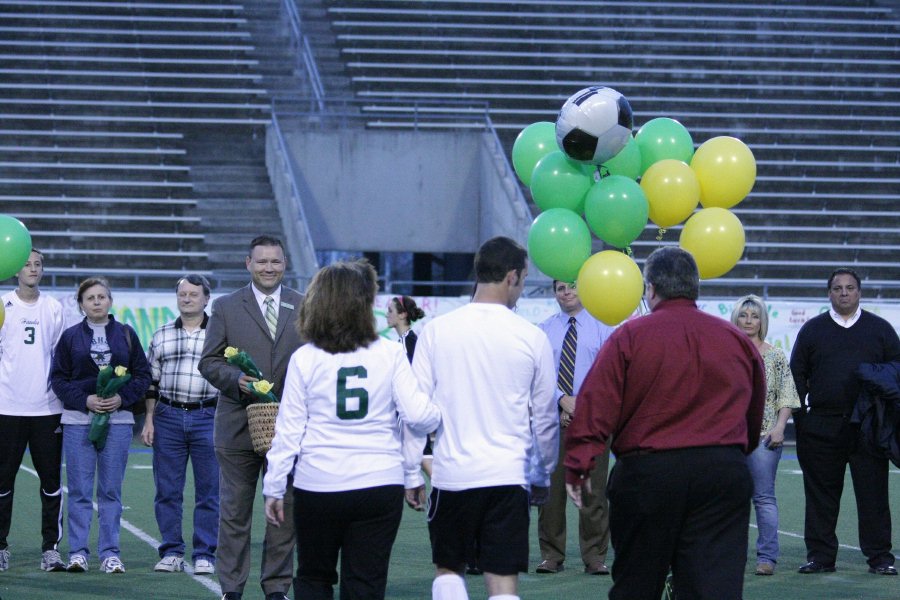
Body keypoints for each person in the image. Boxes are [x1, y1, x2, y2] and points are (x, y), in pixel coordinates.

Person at [565, 247, 766, 600]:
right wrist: (734, 452)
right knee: (714, 588)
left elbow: (596, 404)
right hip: (721, 471)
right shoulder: (736, 340)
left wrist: (579, 463)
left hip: (649, 474)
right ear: (696, 287)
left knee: (637, 585)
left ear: (651, 289)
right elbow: (754, 407)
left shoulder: (628, 337)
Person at [263, 260, 441, 600]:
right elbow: (418, 417)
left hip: (318, 483)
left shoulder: (305, 357)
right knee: (365, 584)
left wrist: (273, 486)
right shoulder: (389, 353)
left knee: (314, 578)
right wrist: (413, 471)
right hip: (378, 483)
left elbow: (288, 431)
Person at [412, 236, 558, 600]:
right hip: (508, 476)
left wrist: (409, 469)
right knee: (503, 580)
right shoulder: (531, 336)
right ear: (512, 277)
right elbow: (544, 419)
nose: (521, 288)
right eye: (523, 280)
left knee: (448, 570)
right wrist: (542, 475)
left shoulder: (436, 331)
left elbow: (414, 410)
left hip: (453, 475)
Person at [199, 235, 304, 600]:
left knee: (283, 514)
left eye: (275, 261)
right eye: (261, 262)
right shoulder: (227, 307)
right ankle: (231, 588)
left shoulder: (303, 305)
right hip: (237, 429)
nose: (268, 268)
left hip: (289, 431)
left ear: (284, 263)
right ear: (248, 264)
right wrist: (235, 380)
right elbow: (208, 361)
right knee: (233, 516)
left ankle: (276, 589)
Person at [790, 268, 900, 576]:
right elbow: (796, 375)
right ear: (829, 293)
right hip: (822, 426)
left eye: (850, 288)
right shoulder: (812, 330)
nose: (844, 293)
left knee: (874, 495)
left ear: (859, 292)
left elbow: (897, 371)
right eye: (837, 288)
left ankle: (880, 558)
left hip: (867, 428)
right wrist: (803, 421)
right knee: (821, 497)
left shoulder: (880, 330)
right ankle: (821, 557)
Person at [50, 277, 152, 574]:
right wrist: (86, 401)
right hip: (78, 422)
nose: (96, 302)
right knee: (80, 491)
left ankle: (110, 553)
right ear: (81, 304)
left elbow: (142, 376)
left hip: (118, 423)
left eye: (101, 297)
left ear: (110, 301)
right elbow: (58, 379)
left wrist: (122, 399)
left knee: (110, 491)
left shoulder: (126, 334)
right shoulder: (70, 337)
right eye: (90, 298)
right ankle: (78, 553)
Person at [142, 274, 220, 575]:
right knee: (167, 490)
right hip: (168, 417)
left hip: (208, 417)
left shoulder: (219, 335)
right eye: (182, 294)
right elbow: (152, 382)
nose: (187, 299)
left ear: (206, 299)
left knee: (209, 491)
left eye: (193, 294)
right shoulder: (161, 334)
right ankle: (172, 551)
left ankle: (205, 554)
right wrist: (149, 419)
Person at [535, 280, 614, 576]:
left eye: (572, 286)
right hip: (552, 422)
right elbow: (539, 375)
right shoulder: (543, 330)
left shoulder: (603, 328)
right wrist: (562, 401)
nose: (566, 292)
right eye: (560, 288)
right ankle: (551, 555)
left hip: (593, 421)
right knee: (551, 495)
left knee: (593, 492)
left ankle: (595, 556)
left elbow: (608, 374)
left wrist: (581, 404)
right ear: (554, 293)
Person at [0, 249, 65, 572]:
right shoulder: (2, 305)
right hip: (7, 407)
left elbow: (61, 357)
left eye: (38, 264)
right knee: (2, 481)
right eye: (26, 264)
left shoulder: (54, 308)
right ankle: (0, 546)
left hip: (47, 409)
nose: (33, 269)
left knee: (51, 482)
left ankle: (50, 548)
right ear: (15, 270)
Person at [731, 294, 801, 576]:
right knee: (728, 501)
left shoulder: (775, 356)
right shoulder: (724, 351)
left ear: (763, 321)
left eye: (754, 316)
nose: (749, 321)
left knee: (763, 498)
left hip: (764, 437)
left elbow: (786, 395)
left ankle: (767, 558)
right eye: (744, 315)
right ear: (735, 318)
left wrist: (780, 427)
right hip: (729, 438)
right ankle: (729, 556)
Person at [386, 295, 434, 477]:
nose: (386, 315)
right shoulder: (409, 341)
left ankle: (449, 496)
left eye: (390, 311)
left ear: (402, 315)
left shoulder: (407, 344)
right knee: (423, 456)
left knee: (420, 457)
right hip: (415, 409)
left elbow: (410, 381)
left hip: (411, 411)